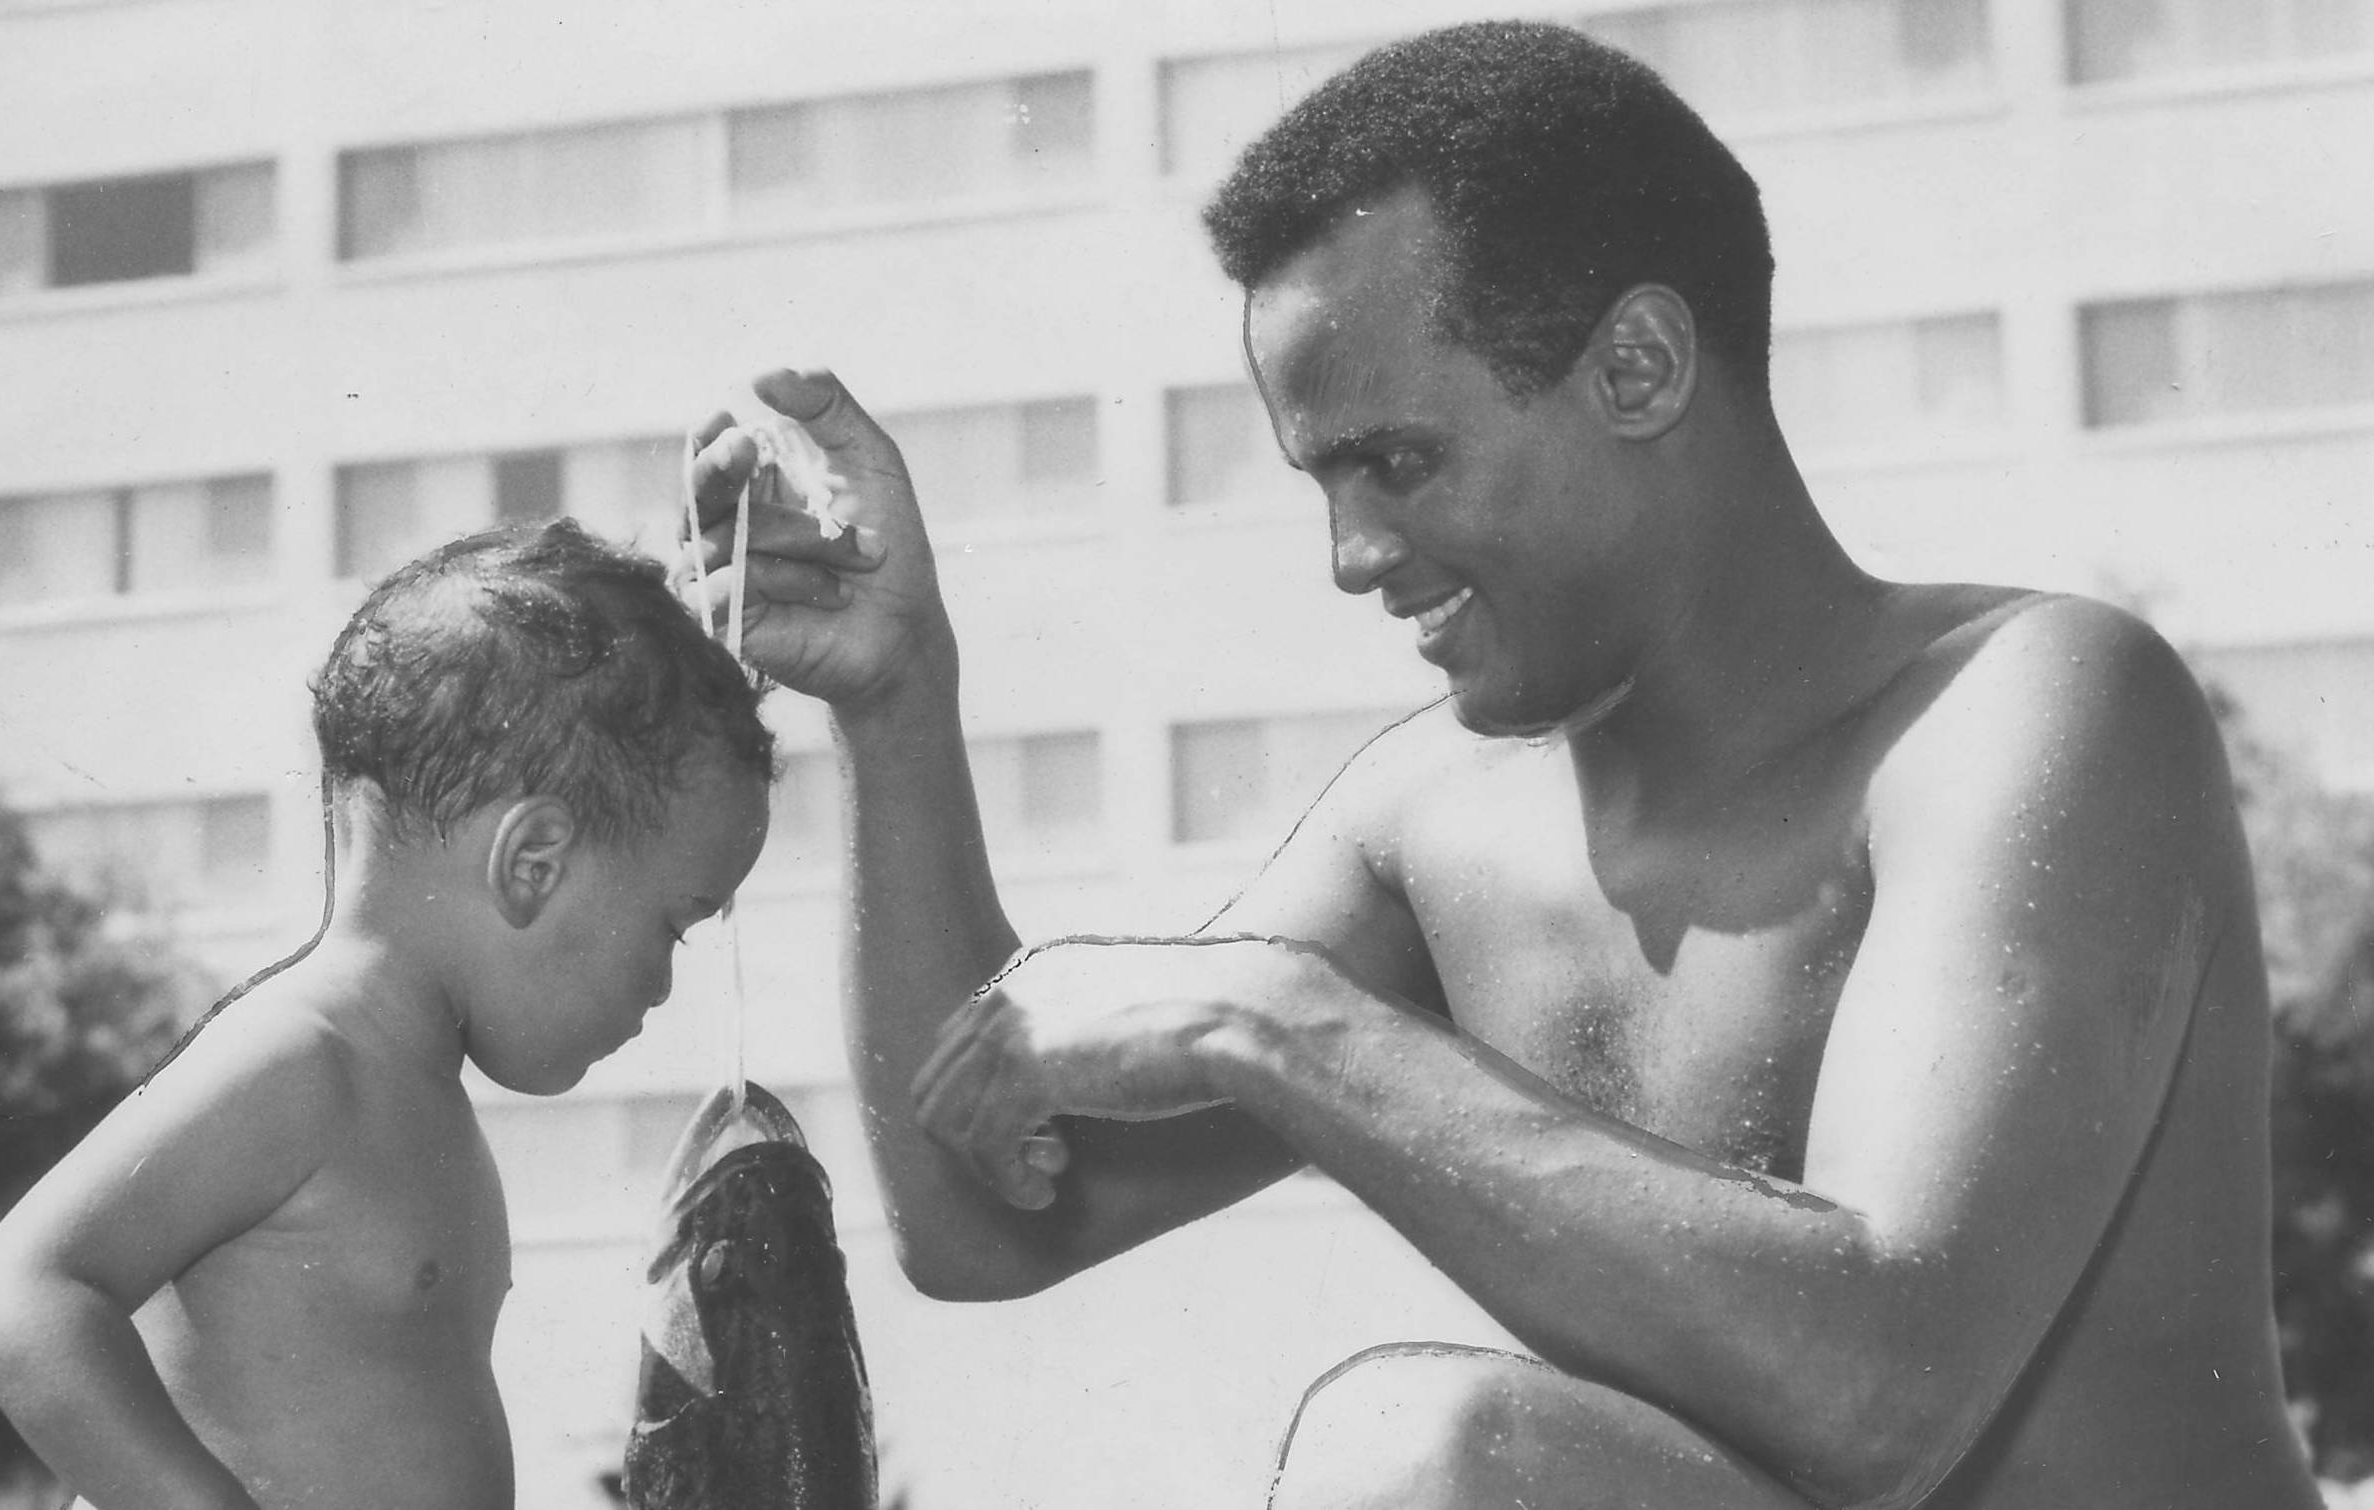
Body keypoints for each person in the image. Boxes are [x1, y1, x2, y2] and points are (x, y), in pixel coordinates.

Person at [684, 21, 2322, 1508]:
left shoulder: (2025, 708)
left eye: (1398, 462)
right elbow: (986, 1215)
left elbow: (1881, 1390)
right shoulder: (1434, 828)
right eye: (1322, 483)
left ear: (1638, 369)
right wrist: (895, 702)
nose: (1349, 557)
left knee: (1425, 1455)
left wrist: (1270, 1019)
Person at [0, 520, 775, 1510]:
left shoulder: (417, 1096)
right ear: (533, 863)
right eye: (672, 926)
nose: (663, 985)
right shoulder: (301, 1059)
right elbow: (23, 1294)